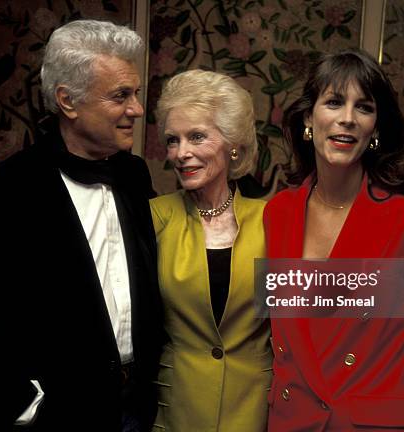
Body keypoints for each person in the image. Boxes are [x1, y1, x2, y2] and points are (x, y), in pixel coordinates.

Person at [0, 20, 162, 430]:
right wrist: (22, 401)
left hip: (137, 408)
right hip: (55, 416)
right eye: (121, 95)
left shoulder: (134, 175)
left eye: (136, 94)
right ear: (68, 102)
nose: (137, 109)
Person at [264, 49, 404, 431]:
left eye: (363, 107)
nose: (347, 119)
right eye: (334, 102)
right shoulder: (278, 212)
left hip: (370, 422)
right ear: (308, 118)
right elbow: (286, 330)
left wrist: (388, 390)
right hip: (292, 418)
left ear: (376, 127)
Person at [149, 70, 272, 431]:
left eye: (197, 137)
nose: (182, 153)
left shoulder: (273, 222)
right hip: (175, 408)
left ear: (232, 144)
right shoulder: (153, 218)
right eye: (173, 140)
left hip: (252, 408)